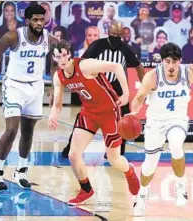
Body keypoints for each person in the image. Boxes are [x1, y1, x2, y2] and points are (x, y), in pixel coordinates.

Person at [131, 42, 193, 216]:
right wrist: (133, 113)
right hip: (156, 122)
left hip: (178, 119)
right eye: (167, 62)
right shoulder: (152, 77)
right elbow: (138, 98)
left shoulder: (187, 72)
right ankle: (143, 194)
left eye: (175, 62)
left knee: (176, 144)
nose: (171, 66)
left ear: (180, 61)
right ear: (161, 61)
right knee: (149, 166)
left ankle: (180, 185)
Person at [48, 40, 140, 204]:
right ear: (54, 58)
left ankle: (129, 171)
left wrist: (126, 94)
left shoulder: (85, 66)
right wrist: (53, 114)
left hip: (109, 112)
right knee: (73, 154)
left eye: (64, 55)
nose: (62, 59)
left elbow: (117, 67)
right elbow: (58, 103)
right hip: (88, 113)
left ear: (69, 54)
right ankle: (86, 190)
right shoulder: (58, 76)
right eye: (58, 56)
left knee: (114, 160)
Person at [0, 4, 58, 191]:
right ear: (27, 20)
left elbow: (55, 61)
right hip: (14, 86)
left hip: (36, 86)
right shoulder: (13, 36)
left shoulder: (50, 39)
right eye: (35, 19)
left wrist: (55, 88)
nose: (39, 23)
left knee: (28, 131)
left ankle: (21, 171)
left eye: (42, 19)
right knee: (12, 130)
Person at [61, 21, 145, 158]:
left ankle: (118, 151)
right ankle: (70, 147)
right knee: (84, 116)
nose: (116, 38)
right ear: (108, 33)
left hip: (117, 86)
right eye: (114, 35)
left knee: (123, 118)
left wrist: (144, 85)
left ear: (123, 35)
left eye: (119, 36)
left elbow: (138, 66)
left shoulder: (125, 48)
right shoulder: (97, 45)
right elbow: (81, 64)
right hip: (98, 86)